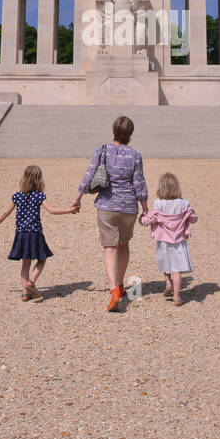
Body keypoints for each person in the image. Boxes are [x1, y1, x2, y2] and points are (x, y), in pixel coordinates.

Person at [73, 115, 148, 313]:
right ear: (130, 133)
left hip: (107, 205)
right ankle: (121, 285)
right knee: (123, 246)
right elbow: (139, 184)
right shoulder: (135, 155)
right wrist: (146, 209)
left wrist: (78, 197)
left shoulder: (102, 150)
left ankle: (113, 289)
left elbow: (89, 174)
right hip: (129, 207)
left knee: (110, 248)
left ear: (113, 130)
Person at [0, 165, 78, 301]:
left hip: (21, 234)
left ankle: (25, 294)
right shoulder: (39, 195)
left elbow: (5, 213)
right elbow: (51, 210)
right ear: (39, 180)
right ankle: (31, 282)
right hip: (35, 233)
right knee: (42, 259)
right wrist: (69, 210)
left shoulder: (17, 196)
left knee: (25, 263)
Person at [140, 172, 197, 306]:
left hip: (164, 240)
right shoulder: (184, 203)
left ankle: (167, 282)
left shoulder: (159, 203)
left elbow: (150, 219)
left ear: (161, 188)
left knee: (166, 262)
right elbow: (194, 219)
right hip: (179, 241)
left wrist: (141, 219)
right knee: (177, 269)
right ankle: (177, 297)